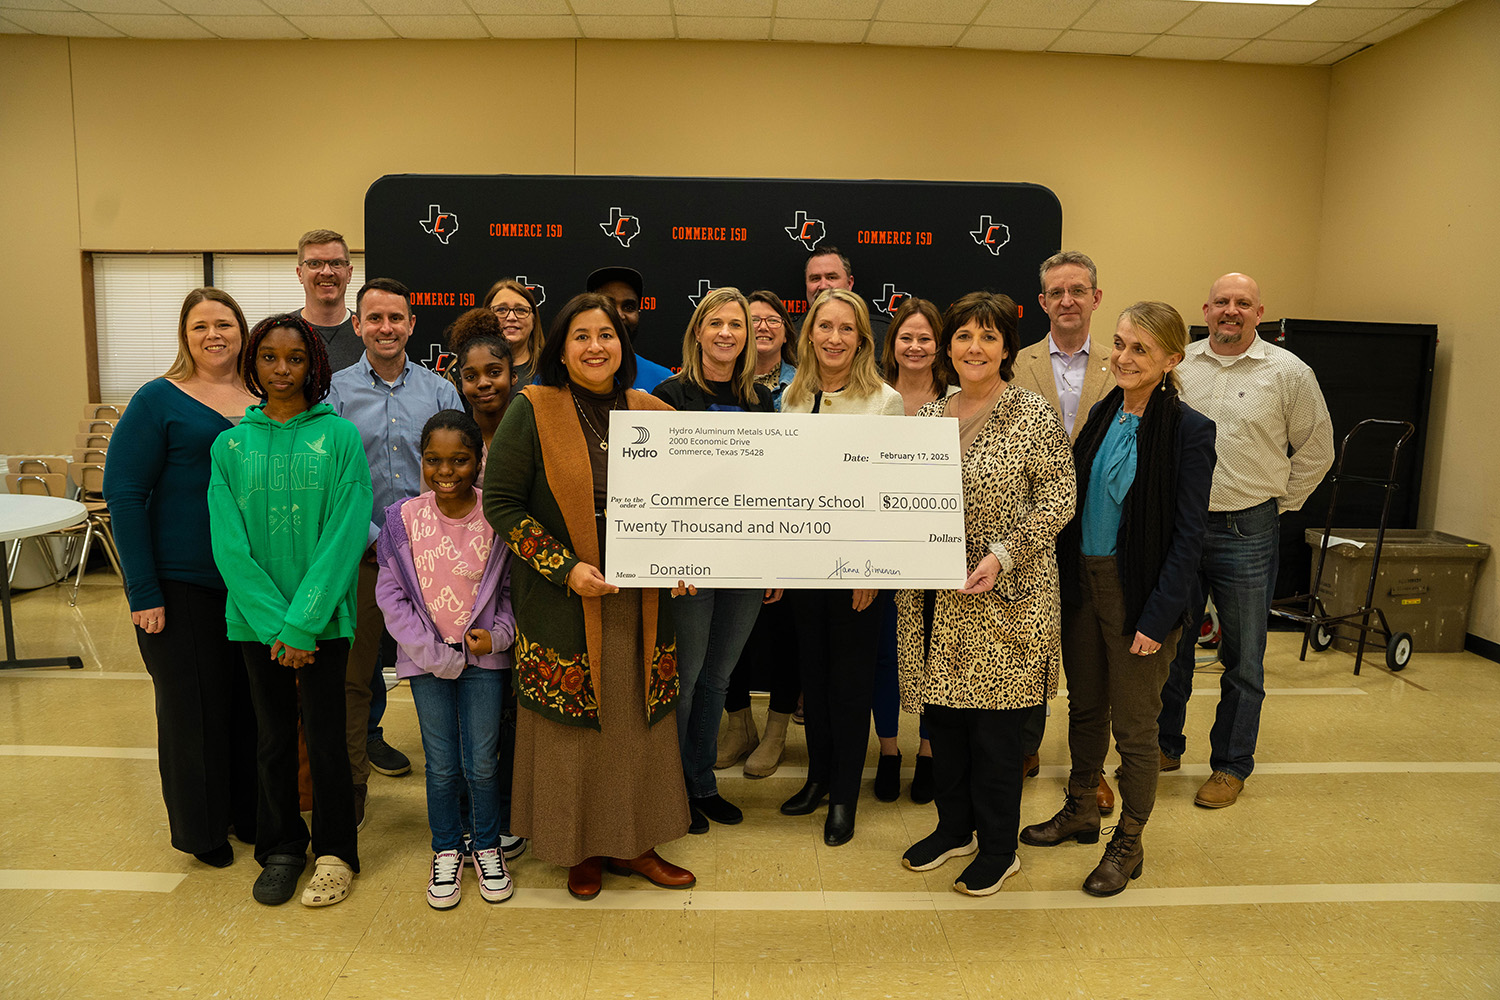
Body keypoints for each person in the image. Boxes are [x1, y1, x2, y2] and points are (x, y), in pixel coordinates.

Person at [483, 292, 693, 901]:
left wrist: (686, 559)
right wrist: (565, 567)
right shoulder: (533, 408)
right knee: (573, 729)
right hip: (565, 598)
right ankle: (579, 847)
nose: (595, 346)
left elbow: (690, 501)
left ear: (622, 346)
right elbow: (501, 504)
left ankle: (635, 843)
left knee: (633, 724)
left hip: (640, 599)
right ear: (561, 347)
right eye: (581, 335)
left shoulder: (654, 411)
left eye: (606, 335)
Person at [1020, 302, 1216, 897]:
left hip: (1140, 598)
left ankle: (1129, 841)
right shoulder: (1106, 411)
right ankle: (1082, 806)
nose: (1124, 358)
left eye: (1141, 350)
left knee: (1135, 728)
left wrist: (1157, 618)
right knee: (1084, 709)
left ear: (1172, 359)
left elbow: (1188, 538)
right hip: (1084, 584)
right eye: (1122, 344)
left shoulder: (1189, 430)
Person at [896, 292, 1075, 896]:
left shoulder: (1031, 414)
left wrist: (1002, 554)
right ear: (948, 348)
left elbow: (1058, 499)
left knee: (995, 738)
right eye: (964, 336)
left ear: (1005, 349)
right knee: (944, 729)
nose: (975, 347)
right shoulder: (925, 420)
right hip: (937, 603)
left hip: (1005, 599)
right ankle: (955, 829)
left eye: (989, 337)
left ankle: (1000, 849)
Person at [207, 313, 372, 908]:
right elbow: (229, 545)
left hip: (323, 621)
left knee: (327, 740)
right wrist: (278, 626)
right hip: (258, 625)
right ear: (253, 363)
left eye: (295, 358)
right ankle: (280, 848)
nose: (282, 369)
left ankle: (336, 852)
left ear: (314, 365)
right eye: (270, 358)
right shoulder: (229, 445)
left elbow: (345, 533)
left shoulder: (341, 438)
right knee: (272, 739)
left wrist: (303, 624)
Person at [1156, 273, 1333, 808]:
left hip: (1248, 530)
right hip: (1180, 527)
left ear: (1260, 313)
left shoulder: (1289, 373)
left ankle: (1230, 765)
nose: (1231, 310)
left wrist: (1277, 503)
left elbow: (1317, 449)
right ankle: (1163, 745)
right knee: (1169, 647)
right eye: (1222, 302)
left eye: (1243, 303)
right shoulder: (1177, 365)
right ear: (1205, 310)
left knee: (1244, 658)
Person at [104, 287, 261, 869]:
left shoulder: (263, 399)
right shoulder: (158, 399)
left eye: (224, 324)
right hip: (180, 582)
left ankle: (250, 814)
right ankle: (203, 831)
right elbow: (124, 494)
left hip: (252, 585)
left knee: (249, 709)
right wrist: (143, 591)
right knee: (193, 712)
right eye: (201, 326)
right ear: (185, 336)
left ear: (242, 331)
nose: (214, 335)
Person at [327, 279, 465, 825]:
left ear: (411, 324)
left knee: (448, 667)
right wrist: (372, 538)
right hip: (361, 556)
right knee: (354, 678)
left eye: (395, 318)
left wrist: (425, 541)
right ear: (357, 325)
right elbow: (330, 479)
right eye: (374, 318)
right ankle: (352, 785)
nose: (385, 328)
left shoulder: (440, 392)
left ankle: (459, 785)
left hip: (434, 560)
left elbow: (461, 474)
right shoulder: (335, 393)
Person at [376, 409, 517, 909]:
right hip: (426, 664)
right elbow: (391, 596)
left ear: (478, 461)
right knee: (440, 765)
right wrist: (434, 654)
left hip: (484, 664)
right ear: (422, 460)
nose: (446, 471)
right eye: (433, 460)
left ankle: (486, 845)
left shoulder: (496, 518)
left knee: (482, 763)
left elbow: (510, 595)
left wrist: (496, 639)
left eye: (459, 460)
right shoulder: (402, 520)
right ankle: (446, 849)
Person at [651, 287, 778, 833]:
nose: (727, 333)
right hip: (688, 567)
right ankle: (670, 788)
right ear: (698, 331)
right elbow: (654, 485)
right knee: (685, 678)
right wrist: (667, 560)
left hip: (744, 563)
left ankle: (702, 783)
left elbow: (772, 486)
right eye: (717, 323)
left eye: (737, 324)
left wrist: (773, 561)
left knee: (719, 678)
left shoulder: (761, 400)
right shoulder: (668, 394)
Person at [779, 288, 903, 847]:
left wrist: (873, 568)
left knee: (851, 685)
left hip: (858, 571)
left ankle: (844, 797)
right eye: (824, 327)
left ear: (862, 340)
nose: (834, 338)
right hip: (804, 567)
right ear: (809, 334)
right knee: (815, 677)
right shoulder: (790, 396)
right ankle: (819, 779)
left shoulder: (884, 401)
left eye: (846, 329)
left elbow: (889, 493)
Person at [1010, 251, 1117, 811]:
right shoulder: (1016, 363)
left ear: (1096, 298)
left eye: (1078, 290)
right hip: (1031, 524)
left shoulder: (1122, 363)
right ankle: (1024, 748)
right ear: (1042, 302)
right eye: (1057, 292)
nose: (1067, 300)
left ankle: (1088, 771)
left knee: (1088, 657)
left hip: (1097, 528)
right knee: (1029, 645)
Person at [869, 296, 952, 802]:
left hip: (936, 550)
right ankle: (888, 750)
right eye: (906, 337)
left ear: (939, 345)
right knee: (884, 653)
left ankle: (927, 750)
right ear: (892, 343)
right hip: (879, 546)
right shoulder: (873, 396)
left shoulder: (959, 399)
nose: (915, 346)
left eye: (925, 338)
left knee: (933, 653)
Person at [586, 265, 674, 390]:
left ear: (638, 314)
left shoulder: (663, 380)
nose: (619, 315)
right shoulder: (565, 377)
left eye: (628, 307)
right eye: (608, 305)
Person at [445, 308, 515, 462]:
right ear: (460, 383)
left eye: (494, 372)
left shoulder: (533, 435)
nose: (483, 383)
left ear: (513, 376)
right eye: (471, 376)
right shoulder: (451, 442)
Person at [295, 229, 364, 372]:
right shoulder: (279, 333)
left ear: (349, 273)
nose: (327, 272)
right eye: (314, 263)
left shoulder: (369, 333)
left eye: (336, 263)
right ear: (300, 274)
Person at [804, 246, 888, 349]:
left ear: (849, 283)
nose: (823, 286)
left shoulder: (883, 335)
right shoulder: (791, 334)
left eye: (831, 277)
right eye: (815, 278)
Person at [481, 279, 544, 390]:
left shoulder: (550, 368)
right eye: (501, 309)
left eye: (521, 310)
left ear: (534, 320)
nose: (511, 317)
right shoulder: (463, 367)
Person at [747, 290, 798, 410]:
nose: (763, 327)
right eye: (754, 320)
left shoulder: (804, 385)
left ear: (786, 334)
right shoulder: (726, 383)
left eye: (773, 320)